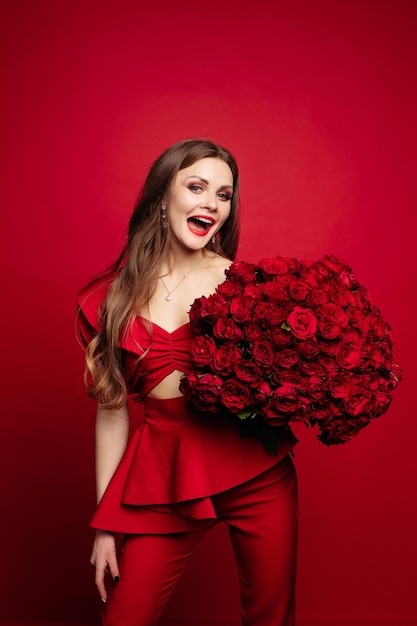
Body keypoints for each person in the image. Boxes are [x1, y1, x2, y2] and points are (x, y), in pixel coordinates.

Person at [76, 138, 299, 626]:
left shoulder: (246, 284)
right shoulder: (106, 300)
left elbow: (278, 384)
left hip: (256, 472)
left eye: (223, 195)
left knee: (271, 618)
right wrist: (105, 526)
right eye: (196, 187)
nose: (211, 203)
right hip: (166, 477)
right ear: (162, 197)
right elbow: (111, 412)